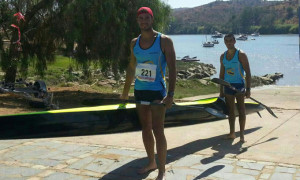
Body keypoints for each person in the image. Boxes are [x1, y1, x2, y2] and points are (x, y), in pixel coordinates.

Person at [120, 7, 176, 180]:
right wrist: (125, 92)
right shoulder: (134, 42)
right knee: (146, 129)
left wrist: (171, 94)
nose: (143, 21)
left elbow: (173, 69)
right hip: (140, 91)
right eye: (140, 18)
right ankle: (151, 162)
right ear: (137, 21)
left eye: (147, 18)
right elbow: (131, 68)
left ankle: (161, 170)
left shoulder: (164, 41)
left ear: (152, 19)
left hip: (158, 92)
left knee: (158, 130)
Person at [219, 33, 251, 143]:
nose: (229, 43)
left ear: (234, 41)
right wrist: (221, 90)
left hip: (239, 86)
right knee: (231, 112)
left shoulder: (241, 54)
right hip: (228, 86)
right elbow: (221, 74)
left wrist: (248, 89)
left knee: (242, 111)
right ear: (224, 42)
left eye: (230, 40)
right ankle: (232, 133)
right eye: (226, 41)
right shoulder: (223, 56)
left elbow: (248, 72)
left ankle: (242, 135)